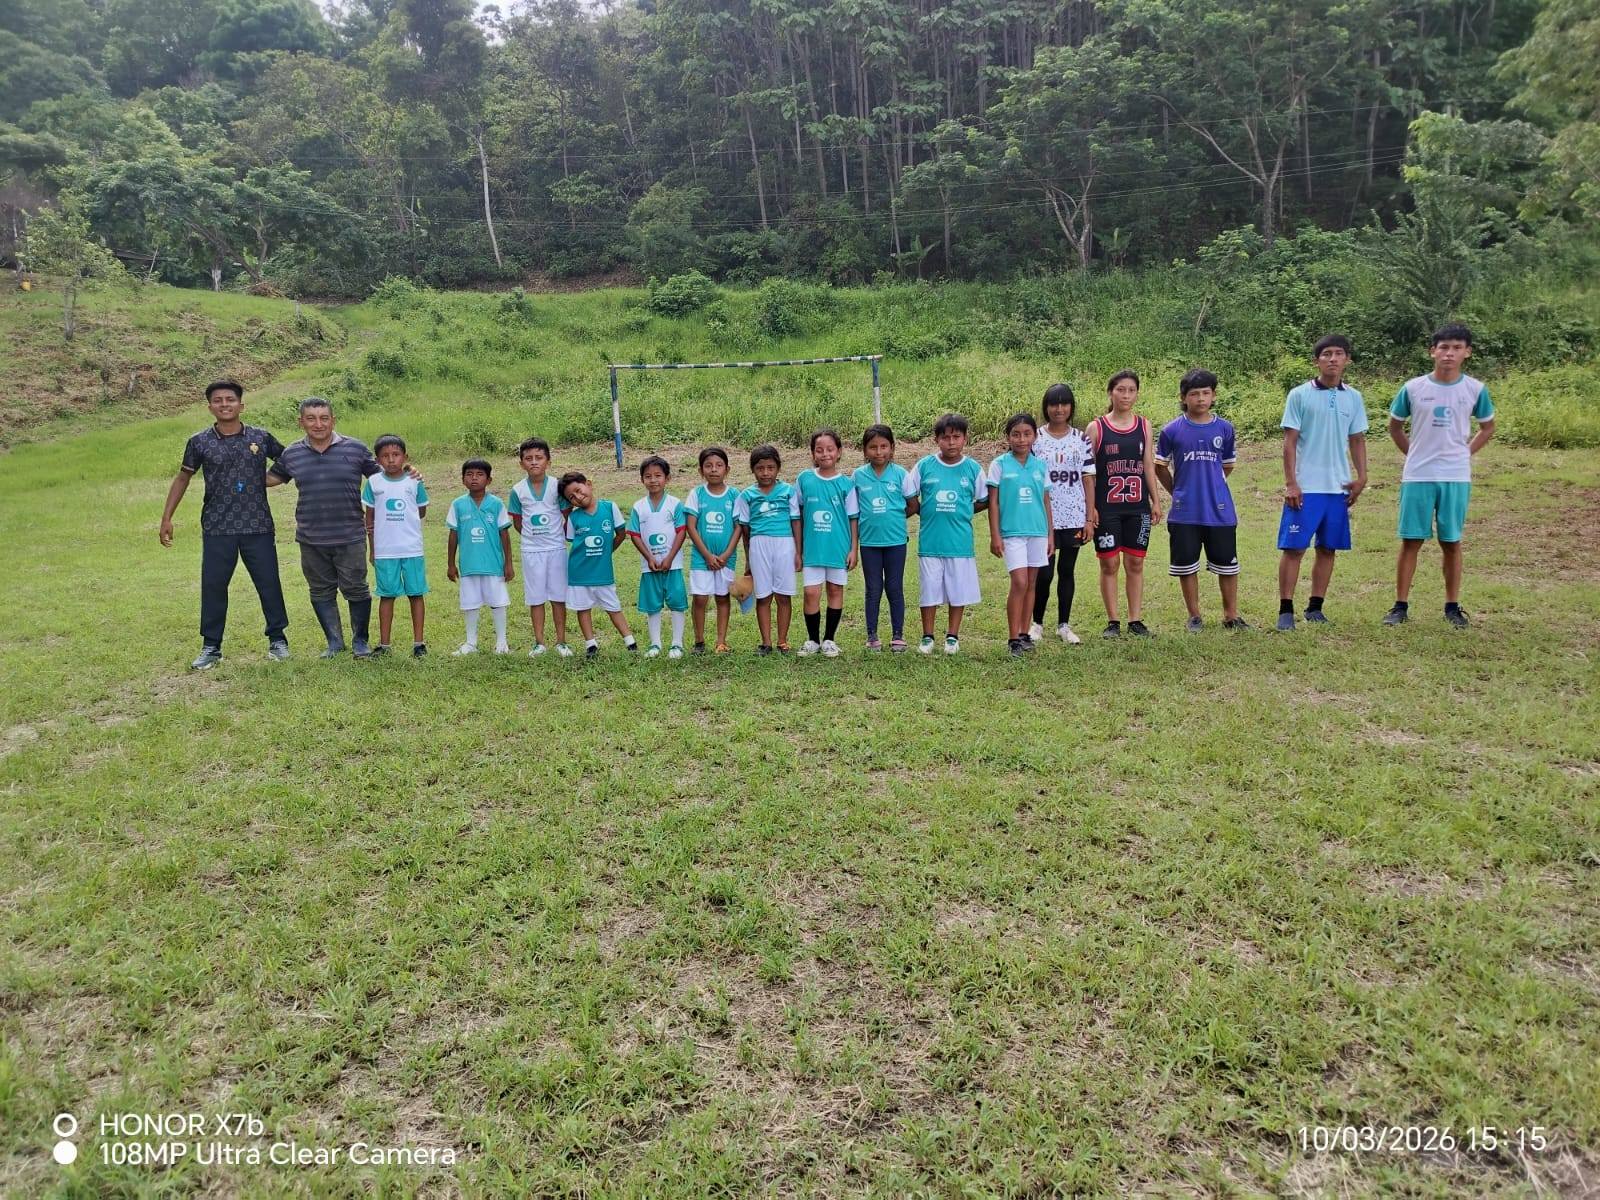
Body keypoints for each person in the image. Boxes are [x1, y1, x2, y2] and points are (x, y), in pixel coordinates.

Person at [159, 379, 290, 669]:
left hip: (257, 524)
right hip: (218, 525)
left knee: (268, 582)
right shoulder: (199, 442)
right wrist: (167, 517)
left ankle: (278, 640)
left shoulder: (260, 437)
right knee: (214, 585)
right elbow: (183, 478)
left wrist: (271, 479)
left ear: (241, 405)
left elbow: (290, 460)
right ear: (210, 407)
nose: (224, 404)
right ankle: (211, 646)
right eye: (218, 400)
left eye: (230, 399)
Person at [1383, 323, 1495, 628]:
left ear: (1467, 352)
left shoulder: (1475, 389)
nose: (1449, 353)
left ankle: (1452, 607)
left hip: (1455, 477)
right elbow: (1395, 426)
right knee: (1411, 540)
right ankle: (1400, 606)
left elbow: (1487, 427)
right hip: (1418, 475)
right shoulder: (1413, 388)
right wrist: (1413, 454)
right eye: (1443, 347)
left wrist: (1465, 453)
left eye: (1457, 348)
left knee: (1452, 541)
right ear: (1432, 351)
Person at [266, 397, 383, 658]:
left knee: (357, 588)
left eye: (324, 418)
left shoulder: (355, 449)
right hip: (311, 538)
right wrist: (239, 474)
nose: (318, 424)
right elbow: (273, 478)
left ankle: (360, 641)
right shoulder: (292, 453)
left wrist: (410, 473)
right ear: (301, 422)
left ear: (333, 420)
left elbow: (383, 476)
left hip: (350, 535)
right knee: (320, 590)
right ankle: (334, 643)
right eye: (311, 418)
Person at [1276, 334, 1368, 632]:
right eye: (1326, 354)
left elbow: (1357, 439)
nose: (1332, 359)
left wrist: (1362, 477)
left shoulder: (1353, 397)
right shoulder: (1299, 395)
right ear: (1317, 360)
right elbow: (1289, 442)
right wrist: (1291, 483)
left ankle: (1315, 607)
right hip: (1306, 487)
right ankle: (1286, 610)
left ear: (1347, 359)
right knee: (1294, 548)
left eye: (1339, 353)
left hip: (1338, 488)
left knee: (1328, 548)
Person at [1155, 369, 1247, 631]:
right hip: (1184, 512)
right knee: (1186, 566)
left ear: (1214, 395)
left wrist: (1213, 485)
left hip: (1220, 510)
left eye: (1206, 393)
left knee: (1227, 565)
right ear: (1183, 397)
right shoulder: (1172, 430)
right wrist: (1178, 491)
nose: (1201, 398)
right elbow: (1160, 466)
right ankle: (1194, 616)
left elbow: (1227, 465)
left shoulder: (1224, 428)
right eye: (1194, 394)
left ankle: (1231, 615)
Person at [1085, 371, 1163, 638]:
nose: (1126, 395)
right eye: (1120, 390)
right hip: (1107, 507)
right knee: (1109, 564)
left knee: (1135, 563)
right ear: (1111, 392)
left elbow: (1148, 464)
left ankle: (1135, 620)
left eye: (1131, 390)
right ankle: (1113, 621)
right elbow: (1088, 472)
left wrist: (1155, 500)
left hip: (1137, 507)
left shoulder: (1144, 425)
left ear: (1137, 394)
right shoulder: (1096, 428)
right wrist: (1091, 507)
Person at [905, 412, 987, 655]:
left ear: (965, 439)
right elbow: (910, 494)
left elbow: (985, 499)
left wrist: (964, 511)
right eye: (946, 437)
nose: (951, 442)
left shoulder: (973, 468)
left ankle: (952, 636)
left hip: (960, 543)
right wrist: (923, 510)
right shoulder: (924, 466)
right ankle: (927, 636)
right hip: (930, 542)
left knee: (957, 591)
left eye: (956, 437)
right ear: (936, 440)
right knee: (929, 590)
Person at [1029, 384, 1092, 645]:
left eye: (1064, 403)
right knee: (1044, 573)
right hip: (1042, 516)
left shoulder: (1081, 439)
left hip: (1074, 515)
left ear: (1071, 407)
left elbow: (1088, 478)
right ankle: (1036, 623)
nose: (1059, 409)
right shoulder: (1034, 438)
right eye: (1053, 404)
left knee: (1067, 570)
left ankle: (1064, 625)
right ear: (1046, 407)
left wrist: (1089, 517)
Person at [987, 413, 1053, 657]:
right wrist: (995, 535)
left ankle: (1025, 634)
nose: (1021, 439)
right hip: (1012, 532)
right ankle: (1013, 637)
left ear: (1035, 437)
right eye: (1016, 434)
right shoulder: (999, 465)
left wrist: (1050, 535)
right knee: (1020, 582)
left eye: (1027, 434)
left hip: (1037, 531)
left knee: (1032, 583)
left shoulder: (1041, 466)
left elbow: (1046, 502)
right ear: (1008, 437)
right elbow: (993, 503)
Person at [792, 428, 859, 657]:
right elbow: (797, 516)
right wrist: (798, 550)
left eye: (830, 449)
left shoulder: (846, 484)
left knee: (835, 590)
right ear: (813, 453)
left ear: (839, 452)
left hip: (838, 548)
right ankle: (812, 640)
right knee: (811, 593)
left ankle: (829, 639)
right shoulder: (804, 479)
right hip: (813, 548)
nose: (825, 454)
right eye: (819, 450)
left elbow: (853, 518)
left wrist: (853, 549)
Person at [361, 434, 429, 656]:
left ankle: (419, 644)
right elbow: (369, 518)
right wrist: (373, 549)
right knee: (387, 595)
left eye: (396, 455)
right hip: (385, 551)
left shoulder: (414, 481)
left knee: (416, 594)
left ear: (405, 457)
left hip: (412, 549)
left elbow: (421, 511)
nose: (391, 460)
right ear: (377, 460)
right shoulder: (374, 483)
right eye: (385, 456)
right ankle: (384, 645)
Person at [558, 471, 638, 659]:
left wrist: (606, 552)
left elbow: (621, 534)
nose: (578, 497)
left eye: (579, 490)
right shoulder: (574, 518)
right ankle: (591, 645)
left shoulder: (609, 507)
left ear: (588, 484)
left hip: (603, 572)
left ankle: (630, 642)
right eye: (572, 497)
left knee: (613, 606)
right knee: (583, 608)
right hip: (579, 573)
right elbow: (572, 540)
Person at [445, 459, 513, 655]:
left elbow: (504, 534)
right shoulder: (458, 504)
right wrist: (451, 564)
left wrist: (508, 563)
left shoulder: (496, 504)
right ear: (463, 479)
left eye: (479, 474)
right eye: (469, 474)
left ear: (489, 480)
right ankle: (471, 643)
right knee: (470, 603)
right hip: (468, 565)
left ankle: (502, 642)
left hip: (493, 565)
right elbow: (453, 534)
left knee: (498, 602)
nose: (474, 478)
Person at [508, 437, 569, 657]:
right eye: (528, 458)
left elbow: (566, 516)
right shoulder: (517, 490)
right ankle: (539, 643)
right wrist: (533, 539)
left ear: (548, 461)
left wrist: (554, 537)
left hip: (556, 549)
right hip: (531, 551)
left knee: (558, 597)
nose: (534, 462)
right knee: (535, 597)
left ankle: (561, 642)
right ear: (521, 463)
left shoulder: (557, 486)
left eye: (539, 457)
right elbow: (517, 522)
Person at [852, 425, 910, 652]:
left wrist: (893, 518)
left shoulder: (901, 474)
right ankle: (872, 635)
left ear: (892, 448)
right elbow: (853, 511)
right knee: (873, 588)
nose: (879, 452)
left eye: (884, 446)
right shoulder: (858, 476)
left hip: (896, 541)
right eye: (873, 447)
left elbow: (912, 504)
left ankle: (898, 635)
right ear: (865, 450)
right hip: (869, 543)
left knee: (894, 587)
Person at [736, 444, 796, 655]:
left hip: (784, 544)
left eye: (770, 468)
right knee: (763, 596)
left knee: (783, 595)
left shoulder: (788, 491)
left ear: (778, 468)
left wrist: (798, 551)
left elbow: (796, 521)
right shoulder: (747, 495)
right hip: (758, 545)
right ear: (753, 469)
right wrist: (748, 558)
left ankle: (782, 641)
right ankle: (766, 642)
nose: (765, 473)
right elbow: (745, 529)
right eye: (760, 468)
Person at [627, 455, 689, 658]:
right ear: (641, 480)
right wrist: (649, 558)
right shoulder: (638, 506)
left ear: (667, 478)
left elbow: (681, 531)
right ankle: (655, 644)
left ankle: (677, 644)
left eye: (658, 475)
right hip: (650, 565)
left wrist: (670, 558)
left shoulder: (675, 504)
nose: (653, 480)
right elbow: (634, 534)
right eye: (648, 476)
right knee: (652, 605)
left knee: (676, 603)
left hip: (673, 564)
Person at [684, 447, 740, 654]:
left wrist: (726, 555)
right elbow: (691, 527)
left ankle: (721, 642)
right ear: (701, 471)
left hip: (727, 558)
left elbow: (739, 527)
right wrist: (707, 555)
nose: (714, 469)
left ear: (727, 469)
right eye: (708, 466)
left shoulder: (734, 495)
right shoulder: (696, 494)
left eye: (719, 465)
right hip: (701, 558)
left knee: (722, 597)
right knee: (700, 598)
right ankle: (699, 641)